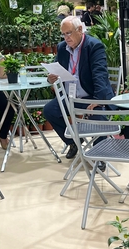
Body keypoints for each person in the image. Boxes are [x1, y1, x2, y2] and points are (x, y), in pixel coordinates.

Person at [43, 15, 114, 160]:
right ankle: (74, 142)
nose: (66, 38)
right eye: (63, 34)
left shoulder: (94, 46)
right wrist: (51, 78)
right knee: (49, 111)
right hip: (71, 97)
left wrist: (98, 99)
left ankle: (100, 156)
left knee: (98, 117)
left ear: (80, 29)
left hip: (91, 95)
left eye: (69, 33)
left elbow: (100, 74)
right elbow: (56, 67)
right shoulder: (62, 48)